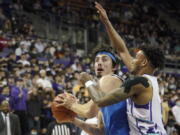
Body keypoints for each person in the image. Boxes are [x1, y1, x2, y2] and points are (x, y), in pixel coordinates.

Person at [78, 2, 167, 135]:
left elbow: (100, 101)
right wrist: (107, 22)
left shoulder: (140, 83)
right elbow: (121, 50)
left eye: (136, 58)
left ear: (144, 62)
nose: (131, 60)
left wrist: (87, 81)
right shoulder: (149, 81)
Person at [55, 45, 129, 135]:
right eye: (97, 60)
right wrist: (73, 120)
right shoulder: (101, 94)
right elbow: (100, 132)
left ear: (115, 67)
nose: (99, 62)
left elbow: (89, 112)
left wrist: (70, 105)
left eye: (104, 59)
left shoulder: (111, 79)